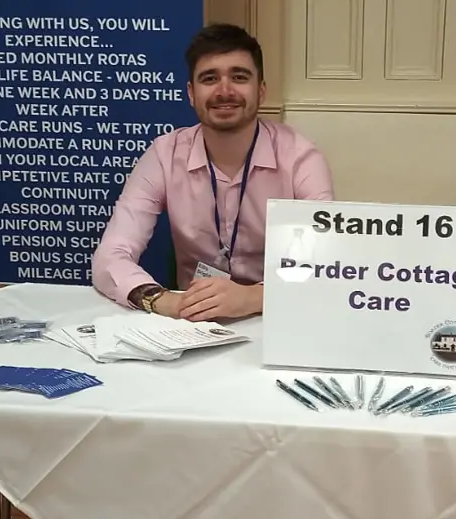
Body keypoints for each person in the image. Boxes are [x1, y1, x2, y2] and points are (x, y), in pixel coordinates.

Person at [91, 23, 335, 322]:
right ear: (191, 93)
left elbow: (323, 262)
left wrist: (254, 297)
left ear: (261, 91)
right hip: (193, 320)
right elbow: (110, 256)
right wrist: (162, 300)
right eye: (210, 78)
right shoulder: (165, 154)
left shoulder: (301, 158)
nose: (225, 91)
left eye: (239, 77)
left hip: (279, 314)